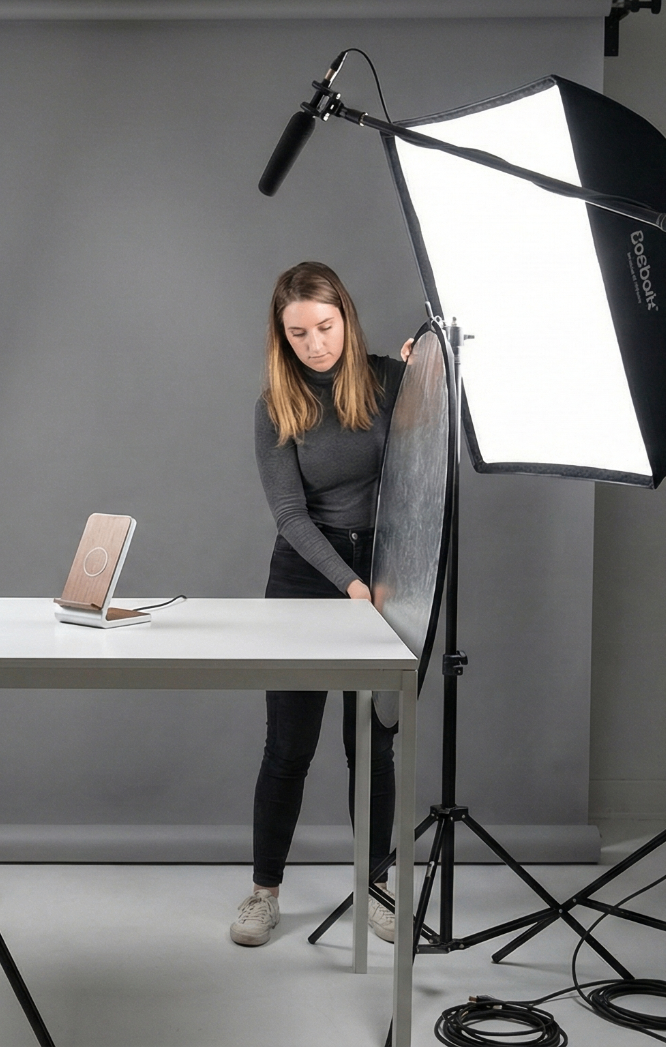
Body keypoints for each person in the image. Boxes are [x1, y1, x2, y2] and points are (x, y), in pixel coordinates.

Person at [232, 261, 413, 947]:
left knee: (372, 744)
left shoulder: (390, 381)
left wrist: (429, 379)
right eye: (299, 333)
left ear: (347, 318)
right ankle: (263, 893)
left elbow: (429, 469)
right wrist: (349, 585)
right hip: (308, 573)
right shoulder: (274, 405)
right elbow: (289, 514)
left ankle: (377, 887)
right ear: (282, 336)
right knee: (289, 745)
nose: (315, 344)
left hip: (386, 569)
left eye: (326, 327)